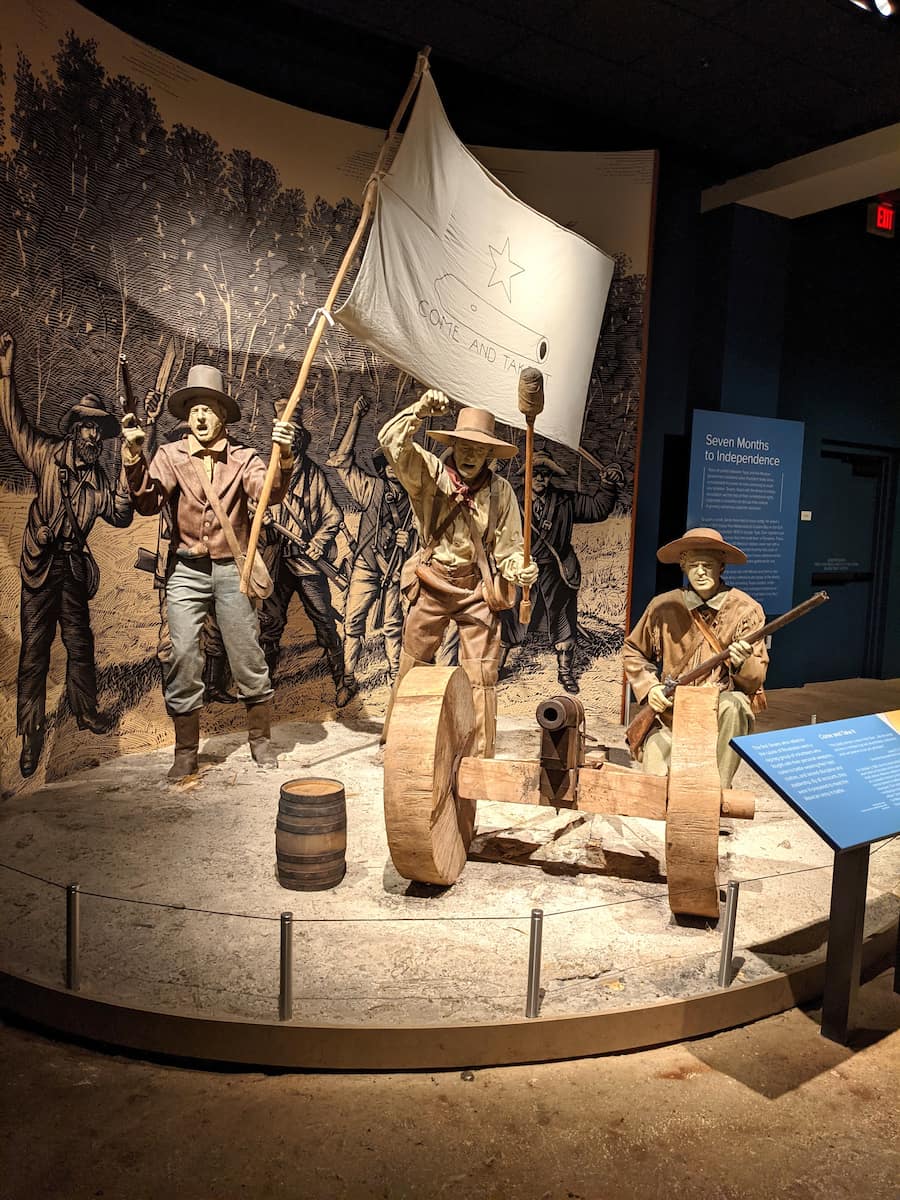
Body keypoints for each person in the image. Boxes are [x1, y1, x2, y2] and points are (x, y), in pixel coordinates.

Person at [120, 363, 295, 780]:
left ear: (223, 415)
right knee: (182, 653)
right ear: (187, 415)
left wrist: (283, 456)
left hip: (232, 572)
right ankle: (185, 751)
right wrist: (133, 456)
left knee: (248, 654)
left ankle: (260, 740)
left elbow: (267, 492)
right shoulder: (170, 455)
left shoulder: (244, 458)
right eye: (195, 408)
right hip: (186, 571)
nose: (201, 417)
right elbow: (146, 503)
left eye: (209, 408)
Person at [0, 332, 133, 777]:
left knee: (80, 643)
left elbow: (122, 514)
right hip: (40, 565)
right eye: (88, 427)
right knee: (35, 652)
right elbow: (15, 424)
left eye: (100, 429)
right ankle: (30, 733)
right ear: (75, 430)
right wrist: (5, 374)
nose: (94, 435)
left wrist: (134, 459)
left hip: (74, 566)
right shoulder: (45, 455)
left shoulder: (101, 478)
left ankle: (85, 711)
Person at [378, 389, 538, 758]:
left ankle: (478, 755)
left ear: (489, 453)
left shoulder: (501, 492)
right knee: (413, 662)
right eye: (465, 445)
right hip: (433, 581)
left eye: (479, 448)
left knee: (482, 675)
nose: (470, 454)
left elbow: (511, 548)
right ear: (453, 443)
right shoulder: (429, 474)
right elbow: (391, 442)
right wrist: (418, 411)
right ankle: (399, 743)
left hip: (476, 590)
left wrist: (519, 569)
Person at [623, 527, 768, 788]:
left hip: (716, 712)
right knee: (655, 785)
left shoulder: (745, 609)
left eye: (708, 565)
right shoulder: (663, 606)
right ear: (683, 566)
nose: (700, 572)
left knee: (735, 705)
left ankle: (717, 793)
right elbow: (634, 650)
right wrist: (650, 686)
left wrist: (740, 663)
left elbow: (753, 682)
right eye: (694, 565)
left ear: (721, 567)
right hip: (671, 716)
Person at [501, 450, 624, 693]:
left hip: (556, 570)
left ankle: (566, 673)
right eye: (535, 474)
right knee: (511, 615)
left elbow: (597, 509)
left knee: (563, 618)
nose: (540, 479)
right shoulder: (511, 501)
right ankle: (498, 666)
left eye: (545, 475)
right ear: (526, 476)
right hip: (521, 570)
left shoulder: (566, 501)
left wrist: (608, 485)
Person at [257, 413, 350, 706]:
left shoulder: (314, 475)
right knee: (270, 623)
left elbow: (333, 515)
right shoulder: (266, 473)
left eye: (291, 437)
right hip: (276, 560)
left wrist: (318, 542)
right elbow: (254, 511)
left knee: (323, 619)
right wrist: (262, 517)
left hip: (307, 563)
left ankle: (341, 680)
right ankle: (263, 684)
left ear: (298, 442)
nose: (286, 444)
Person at [326, 395, 416, 699]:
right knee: (352, 624)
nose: (392, 468)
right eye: (388, 462)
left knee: (393, 625)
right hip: (366, 567)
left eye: (398, 462)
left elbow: (428, 538)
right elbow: (341, 461)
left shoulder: (416, 500)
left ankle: (395, 677)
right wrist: (355, 417)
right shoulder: (370, 488)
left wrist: (410, 541)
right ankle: (348, 679)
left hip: (395, 569)